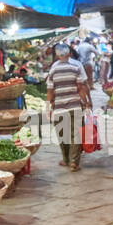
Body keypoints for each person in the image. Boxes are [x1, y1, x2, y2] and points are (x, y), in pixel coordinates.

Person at [46, 42, 91, 170]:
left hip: (59, 108)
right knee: (75, 134)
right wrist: (86, 102)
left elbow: (50, 92)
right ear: (69, 54)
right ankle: (73, 162)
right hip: (75, 106)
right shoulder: (75, 68)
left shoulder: (53, 69)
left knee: (62, 135)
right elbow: (81, 88)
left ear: (57, 55)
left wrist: (47, 108)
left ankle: (66, 159)